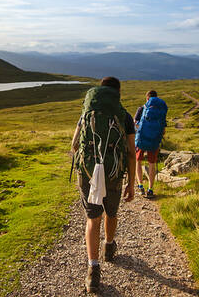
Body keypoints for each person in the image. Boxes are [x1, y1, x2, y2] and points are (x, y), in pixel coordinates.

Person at [70, 76, 136, 294]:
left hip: (88, 173)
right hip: (114, 174)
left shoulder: (86, 114)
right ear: (117, 93)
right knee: (111, 212)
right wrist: (132, 184)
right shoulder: (124, 115)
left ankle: (93, 269)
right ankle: (108, 246)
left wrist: (88, 163)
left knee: (92, 218)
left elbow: (73, 145)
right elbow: (130, 153)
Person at [134, 90, 167, 199]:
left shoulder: (141, 109)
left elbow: (135, 125)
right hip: (154, 141)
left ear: (147, 98)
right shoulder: (160, 111)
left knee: (138, 161)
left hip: (141, 140)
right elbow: (163, 130)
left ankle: (140, 186)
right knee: (151, 164)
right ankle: (150, 189)